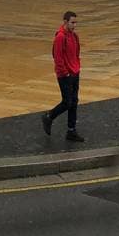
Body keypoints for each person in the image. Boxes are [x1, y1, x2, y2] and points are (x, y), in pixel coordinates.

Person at [41, 10, 84, 142]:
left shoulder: (74, 36)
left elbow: (76, 53)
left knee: (74, 102)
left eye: (76, 23)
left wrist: (77, 68)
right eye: (72, 22)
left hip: (74, 72)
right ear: (65, 22)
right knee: (67, 102)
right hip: (65, 75)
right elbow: (57, 57)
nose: (74, 25)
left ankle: (71, 130)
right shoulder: (60, 37)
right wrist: (65, 72)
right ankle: (49, 116)